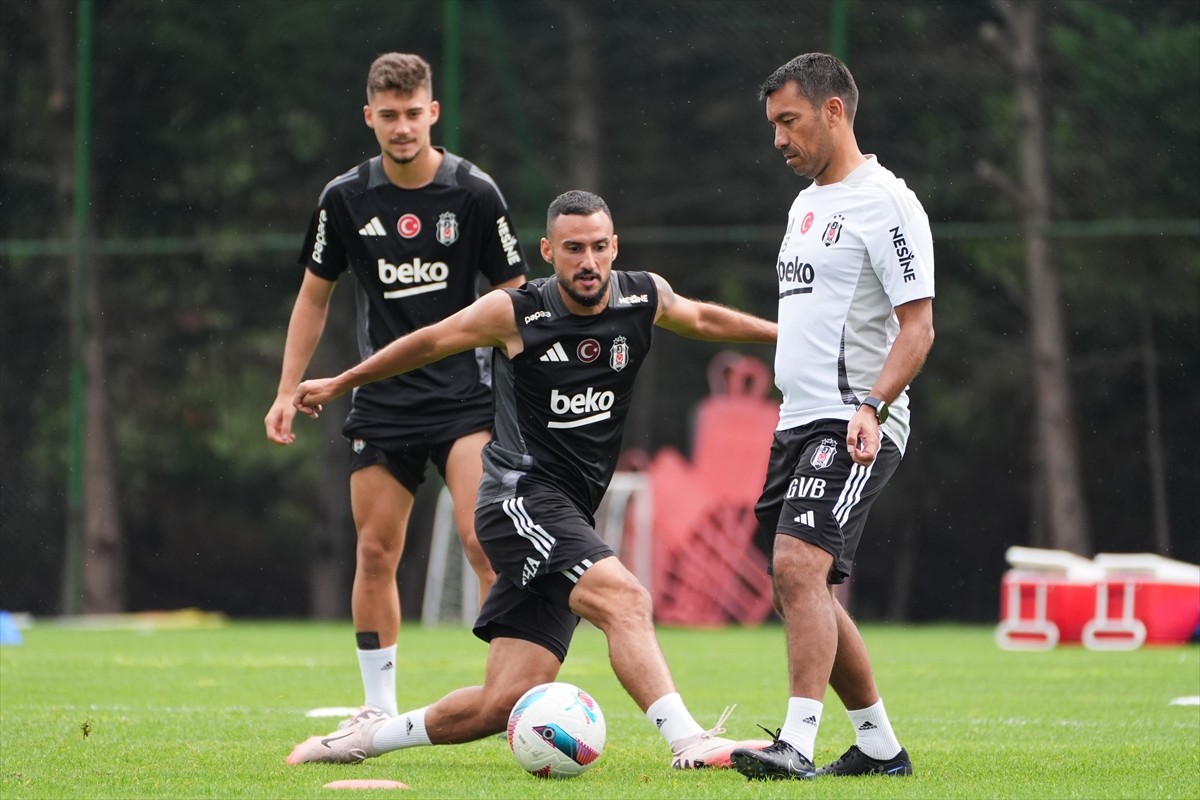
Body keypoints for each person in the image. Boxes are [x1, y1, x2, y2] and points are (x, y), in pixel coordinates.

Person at [284, 190, 777, 770]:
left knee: (502, 703)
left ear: (615, 247)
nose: (588, 262)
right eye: (573, 249)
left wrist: (783, 336)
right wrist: (342, 381)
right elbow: (430, 341)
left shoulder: (644, 295)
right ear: (547, 251)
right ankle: (690, 742)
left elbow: (701, 317)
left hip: (567, 511)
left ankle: (362, 741)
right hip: (519, 500)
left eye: (598, 247)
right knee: (627, 599)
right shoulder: (514, 312)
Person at [264, 52, 529, 718]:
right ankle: (378, 706)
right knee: (376, 550)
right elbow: (313, 299)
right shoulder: (344, 198)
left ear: (433, 112)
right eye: (389, 116)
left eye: (414, 114)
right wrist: (285, 388)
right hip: (383, 401)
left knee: (483, 540)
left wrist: (528, 390)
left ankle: (512, 697)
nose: (402, 127)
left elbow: (518, 297)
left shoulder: (474, 193)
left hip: (466, 397)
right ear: (369, 118)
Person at [729, 53, 935, 781]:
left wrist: (873, 407)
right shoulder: (806, 203)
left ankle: (797, 742)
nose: (778, 139)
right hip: (797, 422)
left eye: (788, 121)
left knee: (795, 567)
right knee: (803, 581)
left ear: (834, 112)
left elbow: (918, 327)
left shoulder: (887, 202)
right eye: (773, 125)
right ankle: (879, 746)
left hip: (855, 421)